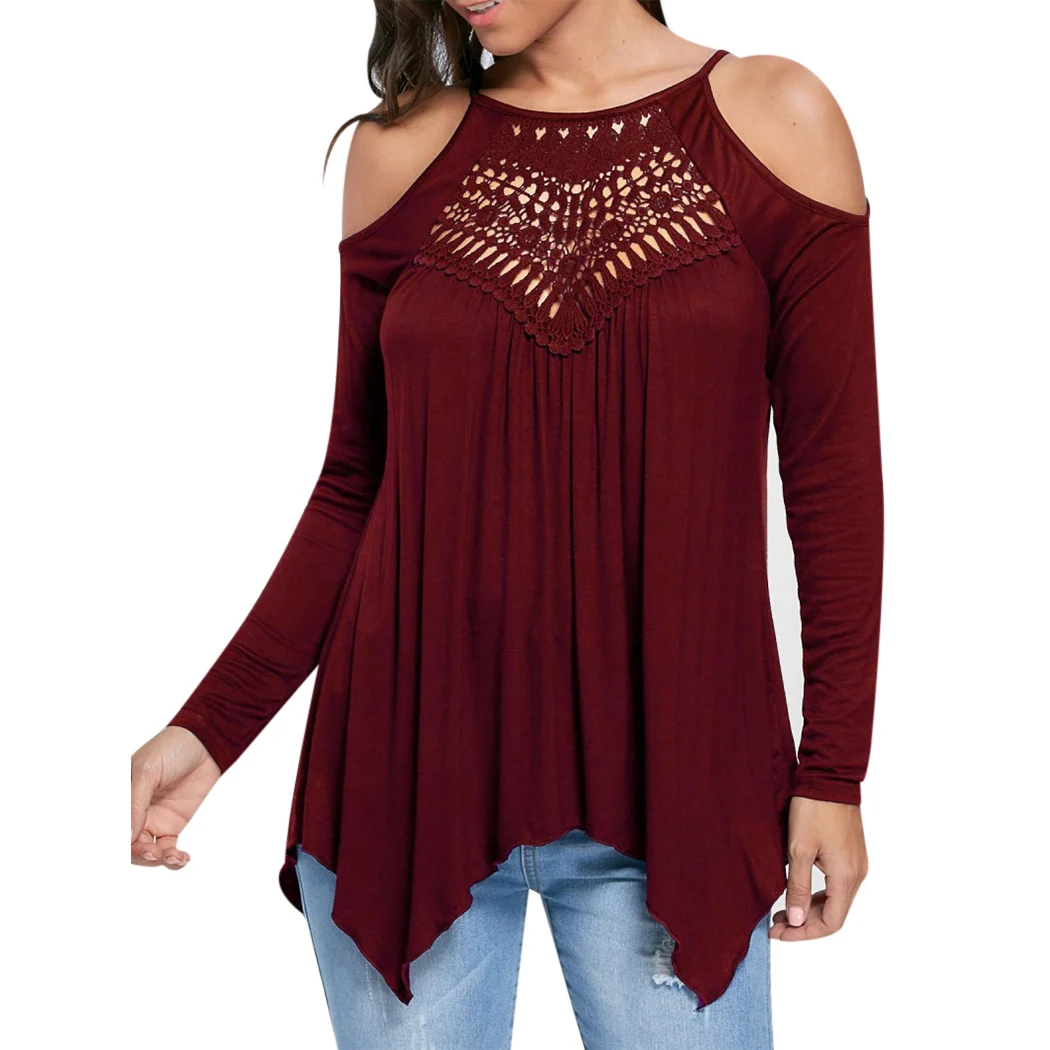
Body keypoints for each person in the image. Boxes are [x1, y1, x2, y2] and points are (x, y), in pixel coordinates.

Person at [130, 1, 883, 1046]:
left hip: (676, 791)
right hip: (404, 780)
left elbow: (833, 483)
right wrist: (211, 728)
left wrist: (834, 771)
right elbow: (357, 483)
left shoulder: (774, 117)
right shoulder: (401, 149)